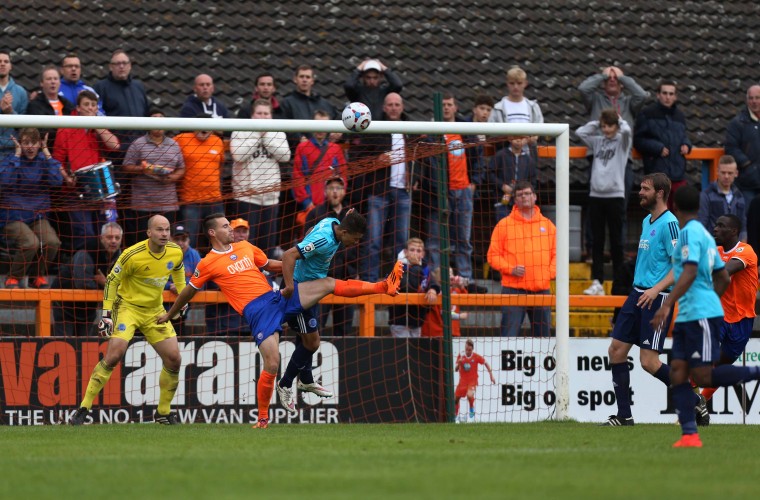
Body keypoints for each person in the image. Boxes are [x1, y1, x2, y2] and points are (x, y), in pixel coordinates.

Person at [158, 213, 403, 428]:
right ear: (212, 232)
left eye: (230, 225)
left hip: (276, 297)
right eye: (225, 226)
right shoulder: (207, 263)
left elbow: (273, 265)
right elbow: (189, 291)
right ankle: (263, 418)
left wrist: (298, 261)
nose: (230, 229)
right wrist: (170, 314)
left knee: (326, 288)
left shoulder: (246, 247)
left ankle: (383, 285)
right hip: (258, 313)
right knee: (272, 363)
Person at [651, 186, 760, 447]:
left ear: (675, 208)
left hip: (723, 317)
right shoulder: (707, 241)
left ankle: (754, 372)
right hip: (707, 315)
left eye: (722, 226)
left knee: (705, 374)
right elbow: (716, 275)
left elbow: (706, 272)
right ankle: (690, 432)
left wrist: (669, 304)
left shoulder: (733, 247)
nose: (716, 229)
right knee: (680, 369)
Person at [69, 215, 187, 425]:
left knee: (174, 358)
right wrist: (106, 315)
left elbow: (177, 270)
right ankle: (83, 408)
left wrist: (181, 293)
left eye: (167, 230)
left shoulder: (175, 251)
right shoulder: (132, 255)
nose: (164, 234)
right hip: (127, 308)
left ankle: (163, 412)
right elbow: (111, 282)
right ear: (149, 232)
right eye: (159, 230)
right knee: (115, 355)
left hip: (154, 311)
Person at [276, 210, 381, 416]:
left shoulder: (332, 222)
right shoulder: (324, 239)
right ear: (344, 232)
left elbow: (309, 231)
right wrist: (289, 287)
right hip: (299, 291)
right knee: (312, 342)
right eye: (356, 239)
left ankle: (305, 380)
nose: (356, 243)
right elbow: (289, 255)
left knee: (307, 337)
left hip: (312, 288)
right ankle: (285, 383)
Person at [599, 173, 682, 426]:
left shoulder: (670, 224)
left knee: (648, 362)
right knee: (616, 351)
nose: (640, 192)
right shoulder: (648, 220)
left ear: (660, 193)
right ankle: (624, 416)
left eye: (645, 189)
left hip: (656, 298)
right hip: (637, 294)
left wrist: (656, 290)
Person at [351, 92, 420, 283]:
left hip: (403, 193)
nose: (394, 108)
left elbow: (421, 157)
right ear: (384, 107)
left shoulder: (410, 129)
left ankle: (398, 282)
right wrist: (377, 161)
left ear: (402, 107)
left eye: (397, 104)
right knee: (373, 241)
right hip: (378, 192)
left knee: (401, 241)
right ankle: (370, 282)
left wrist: (416, 177)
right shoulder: (375, 128)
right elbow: (359, 158)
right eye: (390, 104)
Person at [425, 93, 485, 293]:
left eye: (449, 104)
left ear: (456, 107)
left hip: (464, 192)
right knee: (435, 239)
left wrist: (474, 182)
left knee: (463, 240)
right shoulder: (432, 133)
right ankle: (435, 279)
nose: (447, 108)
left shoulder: (465, 131)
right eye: (443, 105)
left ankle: (465, 281)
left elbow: (478, 156)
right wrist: (435, 187)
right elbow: (427, 164)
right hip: (439, 193)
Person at [700, 214, 758, 404]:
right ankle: (695, 401)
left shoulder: (746, 251)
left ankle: (701, 401)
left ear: (733, 231)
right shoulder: (714, 251)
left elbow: (725, 272)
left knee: (720, 366)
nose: (715, 228)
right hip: (719, 316)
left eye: (721, 225)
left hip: (742, 320)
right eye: (715, 224)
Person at [53, 90, 120, 250]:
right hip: (75, 192)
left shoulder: (97, 130)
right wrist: (67, 178)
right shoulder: (66, 129)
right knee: (84, 234)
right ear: (78, 108)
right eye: (86, 105)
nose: (90, 108)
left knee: (104, 235)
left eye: (93, 105)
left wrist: (97, 126)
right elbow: (56, 161)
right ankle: (81, 270)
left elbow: (115, 145)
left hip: (101, 193)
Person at [486, 181, 556, 337]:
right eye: (519, 194)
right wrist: (510, 269)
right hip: (513, 290)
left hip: (541, 290)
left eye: (527, 193)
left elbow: (557, 254)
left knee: (544, 340)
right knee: (508, 338)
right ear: (515, 200)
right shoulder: (504, 225)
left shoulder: (549, 225)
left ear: (535, 197)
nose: (524, 197)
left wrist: (548, 274)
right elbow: (492, 255)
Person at [576, 109, 632, 296]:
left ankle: (619, 281)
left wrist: (620, 120)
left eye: (610, 126)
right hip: (596, 195)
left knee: (617, 242)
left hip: (615, 195)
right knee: (597, 241)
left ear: (616, 126)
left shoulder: (622, 143)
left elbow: (627, 132)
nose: (607, 130)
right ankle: (597, 281)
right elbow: (580, 132)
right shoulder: (597, 140)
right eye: (604, 126)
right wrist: (596, 122)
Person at [0, 128, 64, 289]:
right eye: (26, 143)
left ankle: (37, 276)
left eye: (33, 143)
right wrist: (16, 156)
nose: (30, 147)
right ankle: (13, 277)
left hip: (37, 216)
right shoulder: (10, 159)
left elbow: (57, 181)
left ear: (39, 143)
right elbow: (5, 181)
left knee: (52, 242)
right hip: (12, 216)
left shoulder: (44, 161)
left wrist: (47, 151)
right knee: (31, 243)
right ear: (19, 144)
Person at [230, 99, 291, 257]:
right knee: (245, 245)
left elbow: (285, 155)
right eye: (259, 113)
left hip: (271, 198)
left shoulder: (278, 131)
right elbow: (238, 155)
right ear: (252, 115)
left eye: (266, 113)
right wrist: (258, 135)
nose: (263, 117)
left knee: (268, 246)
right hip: (246, 197)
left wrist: (266, 137)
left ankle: (267, 279)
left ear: (271, 116)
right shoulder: (240, 130)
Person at [121, 110, 185, 247]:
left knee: (166, 244)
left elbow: (182, 168)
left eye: (161, 119)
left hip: (168, 204)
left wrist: (172, 177)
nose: (158, 123)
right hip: (143, 204)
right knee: (143, 243)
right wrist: (143, 169)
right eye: (154, 119)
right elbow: (126, 167)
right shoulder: (138, 144)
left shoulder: (174, 144)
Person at [305, 176, 359, 336]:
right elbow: (305, 243)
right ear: (325, 191)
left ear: (344, 191)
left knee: (344, 330)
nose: (335, 191)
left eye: (338, 188)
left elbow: (361, 244)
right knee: (315, 325)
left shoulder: (353, 215)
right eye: (331, 188)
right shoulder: (315, 213)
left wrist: (356, 269)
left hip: (345, 278)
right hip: (320, 279)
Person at [52, 222, 123, 336]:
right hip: (64, 304)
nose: (113, 241)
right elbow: (82, 283)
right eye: (109, 237)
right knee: (65, 344)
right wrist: (106, 286)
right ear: (101, 238)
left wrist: (104, 282)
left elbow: (124, 287)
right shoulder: (86, 252)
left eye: (117, 238)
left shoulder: (120, 256)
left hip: (88, 309)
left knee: (85, 346)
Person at [634, 81, 692, 208]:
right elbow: (638, 140)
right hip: (656, 175)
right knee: (657, 215)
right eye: (664, 93)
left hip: (678, 175)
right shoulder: (646, 113)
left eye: (671, 94)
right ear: (658, 95)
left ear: (675, 96)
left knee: (678, 216)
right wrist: (657, 148)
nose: (668, 97)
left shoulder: (680, 116)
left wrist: (687, 145)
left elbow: (683, 136)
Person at [174, 114, 225, 248]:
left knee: (220, 240)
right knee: (189, 241)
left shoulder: (217, 141)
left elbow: (221, 167)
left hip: (215, 200)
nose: (204, 129)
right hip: (190, 201)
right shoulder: (181, 139)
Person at [292, 109, 347, 223]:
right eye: (317, 124)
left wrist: (337, 199)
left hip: (331, 206)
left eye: (324, 125)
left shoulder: (336, 149)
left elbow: (343, 177)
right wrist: (307, 203)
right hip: (310, 207)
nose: (321, 129)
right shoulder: (302, 147)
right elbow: (298, 177)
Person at [93, 49, 151, 146]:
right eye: (117, 63)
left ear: (130, 65)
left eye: (124, 63)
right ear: (111, 67)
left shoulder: (138, 86)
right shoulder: (100, 87)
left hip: (140, 148)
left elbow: (147, 112)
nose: (121, 66)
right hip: (115, 149)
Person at [204, 217, 250, 335]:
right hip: (225, 323)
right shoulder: (212, 259)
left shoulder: (251, 253)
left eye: (244, 231)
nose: (241, 235)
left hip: (250, 320)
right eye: (237, 231)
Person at [389, 237, 439, 338]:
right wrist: (416, 266)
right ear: (406, 252)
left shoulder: (425, 268)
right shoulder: (398, 266)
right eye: (412, 250)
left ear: (423, 254)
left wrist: (432, 290)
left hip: (417, 319)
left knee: (415, 351)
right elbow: (408, 286)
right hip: (400, 319)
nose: (415, 253)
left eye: (418, 251)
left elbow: (433, 283)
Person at [279, 64, 339, 148]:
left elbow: (338, 118)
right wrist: (298, 138)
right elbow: (283, 126)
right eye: (301, 76)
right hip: (297, 152)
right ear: (295, 79)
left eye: (307, 77)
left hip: (323, 153)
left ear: (312, 81)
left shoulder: (324, 103)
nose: (304, 80)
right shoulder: (286, 103)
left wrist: (337, 131)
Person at [488, 66, 544, 149]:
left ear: (525, 83)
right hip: (505, 155)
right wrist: (508, 138)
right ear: (507, 83)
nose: (515, 87)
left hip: (528, 155)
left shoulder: (534, 107)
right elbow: (490, 132)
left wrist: (528, 140)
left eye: (519, 83)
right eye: (512, 83)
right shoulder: (497, 108)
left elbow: (541, 130)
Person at [487, 135, 538, 221]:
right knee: (503, 226)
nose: (518, 140)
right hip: (502, 199)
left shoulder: (529, 160)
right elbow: (489, 174)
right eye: (516, 137)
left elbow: (533, 181)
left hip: (522, 201)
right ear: (510, 139)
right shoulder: (500, 155)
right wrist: (502, 186)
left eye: (522, 138)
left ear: (526, 140)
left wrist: (524, 192)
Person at [578, 65, 648, 127]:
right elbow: (583, 89)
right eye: (608, 78)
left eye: (616, 78)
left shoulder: (628, 103)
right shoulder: (595, 100)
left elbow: (642, 95)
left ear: (622, 83)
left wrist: (622, 78)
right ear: (603, 83)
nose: (612, 80)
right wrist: (603, 76)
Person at [25, 65, 75, 151]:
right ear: (42, 83)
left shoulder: (68, 105)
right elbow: (39, 131)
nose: (53, 82)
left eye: (55, 79)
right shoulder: (35, 105)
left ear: (60, 82)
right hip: (45, 151)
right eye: (49, 79)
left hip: (68, 151)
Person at [698, 155, 747, 242]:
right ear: (717, 171)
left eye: (730, 173)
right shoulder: (706, 195)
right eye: (723, 172)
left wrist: (742, 245)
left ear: (736, 173)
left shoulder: (739, 196)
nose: (726, 176)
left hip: (734, 247)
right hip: (714, 246)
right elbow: (702, 223)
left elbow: (742, 225)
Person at [725, 85, 760, 205]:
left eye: (757, 98)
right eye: (751, 98)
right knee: (748, 218)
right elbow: (730, 147)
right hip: (747, 183)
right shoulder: (737, 123)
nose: (754, 101)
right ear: (747, 100)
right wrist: (747, 164)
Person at [165, 224, 202, 336]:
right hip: (161, 306)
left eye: (184, 239)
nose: (180, 243)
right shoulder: (162, 254)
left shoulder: (194, 255)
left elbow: (202, 280)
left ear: (189, 240)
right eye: (177, 239)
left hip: (183, 307)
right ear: (170, 239)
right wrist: (169, 286)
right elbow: (153, 280)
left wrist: (183, 286)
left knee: (179, 334)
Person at [455, 339, 496, 423]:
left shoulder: (476, 357)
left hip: (472, 381)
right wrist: (459, 363)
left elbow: (486, 363)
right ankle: (455, 416)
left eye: (469, 350)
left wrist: (491, 375)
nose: (467, 351)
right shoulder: (461, 355)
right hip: (462, 381)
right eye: (466, 349)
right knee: (455, 399)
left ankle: (471, 412)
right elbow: (455, 369)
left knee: (470, 395)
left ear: (472, 349)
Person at [421, 267, 467, 338]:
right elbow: (444, 312)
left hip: (453, 331)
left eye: (452, 273)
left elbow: (466, 299)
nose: (451, 276)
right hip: (435, 333)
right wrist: (459, 316)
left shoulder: (455, 290)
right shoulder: (436, 292)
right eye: (448, 274)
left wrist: (461, 287)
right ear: (439, 278)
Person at [0, 51, 29, 155]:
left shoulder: (21, 92)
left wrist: (10, 112)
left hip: (13, 151)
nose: (2, 64)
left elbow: (25, 126)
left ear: (10, 66)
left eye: (6, 61)